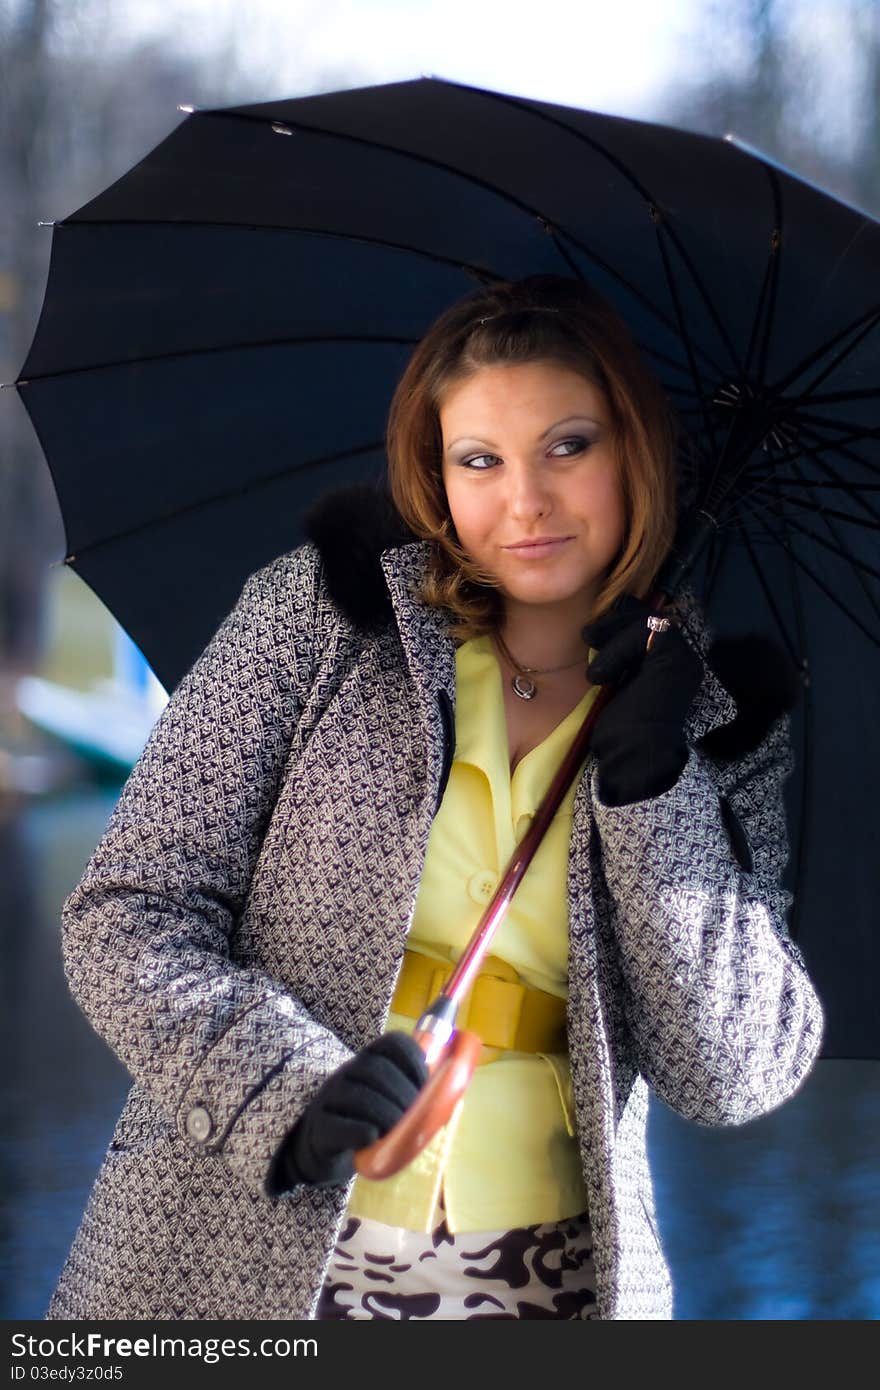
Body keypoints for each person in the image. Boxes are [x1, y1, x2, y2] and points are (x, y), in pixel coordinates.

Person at [45, 274, 824, 1322]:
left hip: (546, 1288)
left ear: (635, 448)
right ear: (435, 471)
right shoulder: (316, 620)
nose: (526, 501)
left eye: (568, 446)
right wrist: (290, 1090)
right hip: (238, 1275)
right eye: (480, 459)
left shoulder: (717, 717)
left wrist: (654, 783)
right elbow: (127, 912)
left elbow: (732, 1075)